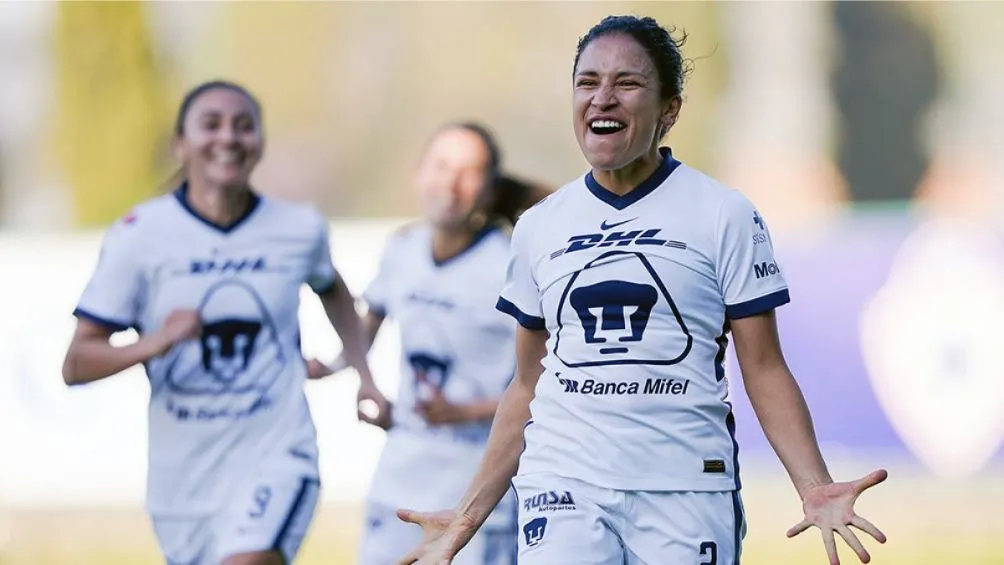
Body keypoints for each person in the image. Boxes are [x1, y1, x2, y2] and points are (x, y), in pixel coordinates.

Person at [395, 15, 888, 565]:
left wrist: (813, 485)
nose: (602, 98)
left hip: (686, 487)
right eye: (587, 82)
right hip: (564, 485)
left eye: (626, 83)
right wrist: (468, 513)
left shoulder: (722, 214)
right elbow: (528, 385)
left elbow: (764, 368)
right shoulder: (539, 226)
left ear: (669, 110)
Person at [61, 79, 388, 565]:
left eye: (243, 125)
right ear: (180, 144)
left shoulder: (299, 229)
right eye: (211, 124)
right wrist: (157, 342)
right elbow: (76, 364)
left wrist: (362, 374)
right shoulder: (139, 234)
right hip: (182, 480)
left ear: (260, 142)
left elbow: (333, 289)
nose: (228, 137)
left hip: (276, 454)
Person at [306, 123, 549, 565]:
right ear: (418, 175)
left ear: (490, 188)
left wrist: (466, 411)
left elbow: (545, 380)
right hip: (398, 481)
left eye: (469, 172)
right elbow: (367, 326)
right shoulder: (403, 248)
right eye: (441, 166)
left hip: (475, 494)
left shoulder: (512, 262)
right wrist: (343, 369)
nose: (451, 184)